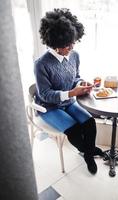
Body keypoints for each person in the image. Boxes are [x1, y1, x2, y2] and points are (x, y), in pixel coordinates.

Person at [34, 8, 104, 174]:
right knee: (75, 130)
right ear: (54, 43)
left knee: (90, 122)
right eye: (67, 44)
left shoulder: (74, 55)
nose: (71, 46)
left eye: (73, 42)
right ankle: (88, 154)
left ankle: (87, 151)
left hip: (68, 102)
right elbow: (45, 94)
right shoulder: (41, 64)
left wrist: (81, 82)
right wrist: (72, 93)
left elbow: (75, 77)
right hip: (48, 106)